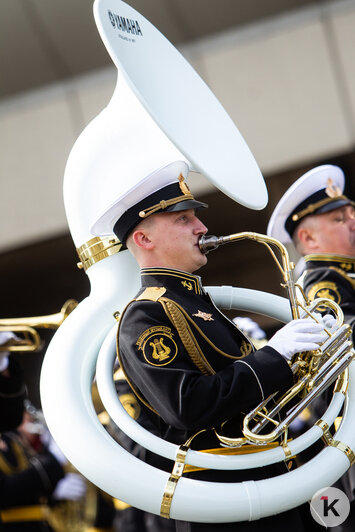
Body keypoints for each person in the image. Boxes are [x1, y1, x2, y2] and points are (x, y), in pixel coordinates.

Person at [92, 160, 334, 531]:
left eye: (195, 218)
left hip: (269, 480)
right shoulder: (147, 315)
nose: (202, 227)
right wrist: (274, 356)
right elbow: (187, 405)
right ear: (144, 239)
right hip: (221, 500)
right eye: (183, 219)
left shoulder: (198, 304)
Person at [267, 163, 355, 531]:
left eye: (351, 213)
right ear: (309, 238)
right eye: (339, 219)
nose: (352, 221)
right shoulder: (324, 284)